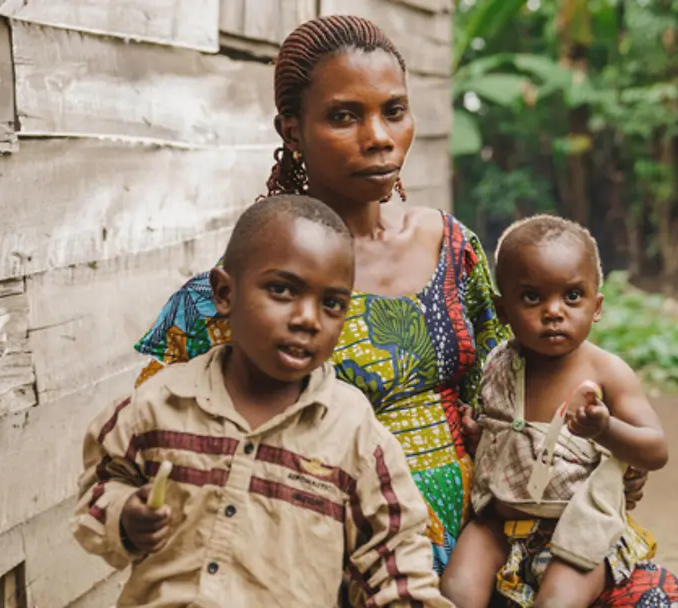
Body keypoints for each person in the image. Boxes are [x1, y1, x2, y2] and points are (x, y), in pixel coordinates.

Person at [132, 14, 650, 602]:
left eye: (393, 111)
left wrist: (602, 456)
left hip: (498, 533)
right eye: (344, 116)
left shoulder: (452, 250)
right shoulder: (241, 291)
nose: (378, 136)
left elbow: (517, 382)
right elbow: (152, 446)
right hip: (344, 556)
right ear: (293, 130)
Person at [72, 195, 454, 607]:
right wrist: (125, 513)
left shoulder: (355, 436)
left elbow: (395, 557)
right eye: (282, 290)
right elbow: (102, 484)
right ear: (224, 293)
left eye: (331, 304)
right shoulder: (159, 406)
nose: (308, 319)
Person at [441, 215, 678, 608]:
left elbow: (655, 450)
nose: (554, 311)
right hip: (498, 523)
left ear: (596, 307)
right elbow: (508, 433)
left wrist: (605, 429)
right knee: (455, 590)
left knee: (557, 602)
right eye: (531, 297)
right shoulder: (498, 364)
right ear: (502, 309)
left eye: (572, 296)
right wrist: (480, 436)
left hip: (580, 525)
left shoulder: (606, 372)